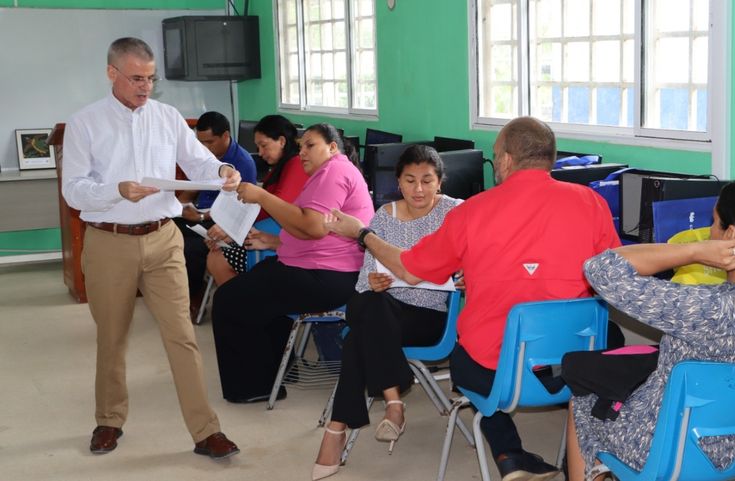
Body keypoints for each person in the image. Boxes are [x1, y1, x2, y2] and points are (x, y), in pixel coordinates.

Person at [324, 116, 620, 481]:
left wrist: (362, 233)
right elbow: (613, 281)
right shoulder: (592, 203)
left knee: (467, 359)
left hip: (496, 371)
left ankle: (508, 453)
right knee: (615, 341)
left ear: (507, 160)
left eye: (496, 156)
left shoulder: (472, 211)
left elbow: (410, 270)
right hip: (571, 369)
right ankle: (596, 455)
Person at [563, 177, 735, 481]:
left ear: (731, 235)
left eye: (714, 223)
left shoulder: (702, 308)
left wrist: (694, 252)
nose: (710, 231)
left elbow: (600, 269)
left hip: (665, 446)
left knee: (582, 404)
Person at [60, 37, 241, 458]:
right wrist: (117, 190)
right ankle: (108, 420)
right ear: (112, 74)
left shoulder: (167, 116)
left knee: (182, 336)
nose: (145, 87)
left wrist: (223, 169)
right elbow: (74, 191)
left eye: (150, 78)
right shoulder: (85, 123)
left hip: (163, 239)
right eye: (137, 78)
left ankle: (205, 431)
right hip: (109, 242)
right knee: (113, 337)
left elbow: (198, 162)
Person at [313, 145, 463, 480]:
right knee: (369, 302)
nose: (419, 189)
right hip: (386, 309)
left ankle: (341, 426)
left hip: (432, 315)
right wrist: (375, 280)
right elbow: (365, 277)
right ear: (399, 182)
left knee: (360, 330)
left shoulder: (455, 212)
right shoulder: (384, 216)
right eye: (410, 181)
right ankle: (392, 403)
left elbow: (470, 262)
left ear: (440, 182)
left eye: (427, 180)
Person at [211, 123, 373, 403]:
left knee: (229, 299)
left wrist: (263, 196)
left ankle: (254, 386)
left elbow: (312, 226)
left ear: (333, 148)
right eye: (300, 148)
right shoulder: (327, 173)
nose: (303, 153)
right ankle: (277, 374)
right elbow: (307, 229)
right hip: (318, 269)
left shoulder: (334, 171)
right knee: (259, 287)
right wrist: (276, 243)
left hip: (330, 277)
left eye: (311, 145)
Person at [205, 114, 307, 286]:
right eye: (258, 146)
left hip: (276, 240)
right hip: (263, 235)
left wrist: (232, 229)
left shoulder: (296, 165)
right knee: (216, 255)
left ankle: (239, 307)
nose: (260, 153)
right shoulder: (282, 166)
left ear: (281, 141)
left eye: (264, 145)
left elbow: (276, 206)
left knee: (218, 258)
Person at [174, 111, 257, 319]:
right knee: (167, 228)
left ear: (226, 136)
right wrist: (180, 206)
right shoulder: (205, 158)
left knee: (190, 247)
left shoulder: (241, 162)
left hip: (223, 220)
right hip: (202, 212)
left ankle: (196, 293)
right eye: (201, 143)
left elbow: (240, 206)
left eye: (210, 142)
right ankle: (177, 293)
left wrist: (201, 217)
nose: (205, 148)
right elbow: (194, 187)